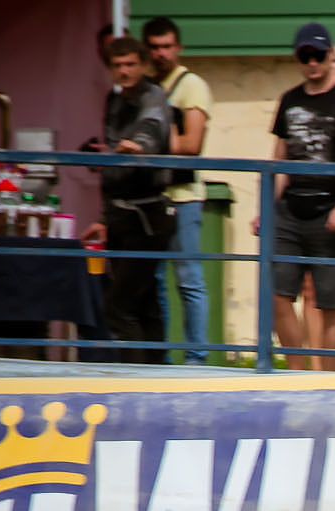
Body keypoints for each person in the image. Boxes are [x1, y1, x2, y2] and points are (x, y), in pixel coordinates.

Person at [260, 23, 335, 372]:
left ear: (329, 55)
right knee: (277, 294)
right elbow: (280, 158)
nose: (312, 63)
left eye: (317, 55)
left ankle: (334, 374)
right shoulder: (290, 100)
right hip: (291, 209)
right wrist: (265, 208)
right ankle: (298, 370)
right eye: (305, 56)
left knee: (330, 298)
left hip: (332, 210)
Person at [87, 36, 176, 363]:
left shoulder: (154, 95)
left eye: (130, 64)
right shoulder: (113, 101)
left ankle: (136, 378)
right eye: (118, 65)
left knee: (119, 305)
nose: (124, 71)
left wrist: (137, 145)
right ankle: (156, 374)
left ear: (142, 65)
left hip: (150, 214)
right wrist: (102, 218)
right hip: (121, 214)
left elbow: (152, 127)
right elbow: (113, 160)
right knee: (144, 300)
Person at [140, 18, 213, 363]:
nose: (160, 54)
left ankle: (196, 357)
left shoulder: (190, 85)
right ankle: (160, 358)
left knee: (188, 280)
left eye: (166, 46)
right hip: (149, 197)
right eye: (154, 47)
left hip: (183, 196)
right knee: (153, 282)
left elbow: (192, 143)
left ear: (178, 48)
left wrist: (147, 139)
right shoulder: (143, 88)